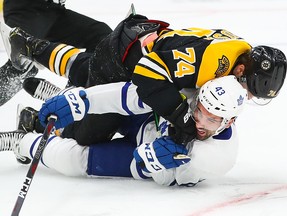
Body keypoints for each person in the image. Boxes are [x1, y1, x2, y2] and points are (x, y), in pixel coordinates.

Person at [4, 2, 287, 145]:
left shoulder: (239, 53)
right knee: (92, 135)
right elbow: (147, 76)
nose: (245, 95)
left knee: (87, 68)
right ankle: (34, 126)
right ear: (240, 70)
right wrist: (180, 115)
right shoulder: (211, 62)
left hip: (136, 38)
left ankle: (35, 47)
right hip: (127, 62)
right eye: (248, 88)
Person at [0, 75, 248, 186]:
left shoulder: (217, 156)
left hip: (141, 161)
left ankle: (23, 141)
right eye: (199, 111)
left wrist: (153, 161)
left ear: (229, 121)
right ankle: (63, 98)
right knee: (90, 122)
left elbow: (166, 178)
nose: (201, 123)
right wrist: (81, 100)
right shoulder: (188, 91)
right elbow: (130, 94)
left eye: (212, 120)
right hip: (143, 121)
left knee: (73, 160)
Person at [0, 0, 112, 106]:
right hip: (26, 10)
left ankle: (73, 93)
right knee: (23, 64)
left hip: (52, 11)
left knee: (101, 36)